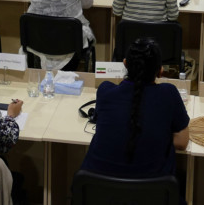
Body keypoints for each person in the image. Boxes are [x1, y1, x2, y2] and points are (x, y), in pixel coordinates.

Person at [80, 38, 189, 200]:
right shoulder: (169, 94)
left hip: (99, 194)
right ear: (160, 71)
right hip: (152, 196)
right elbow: (181, 141)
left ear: (124, 64)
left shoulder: (105, 91)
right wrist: (155, 135)